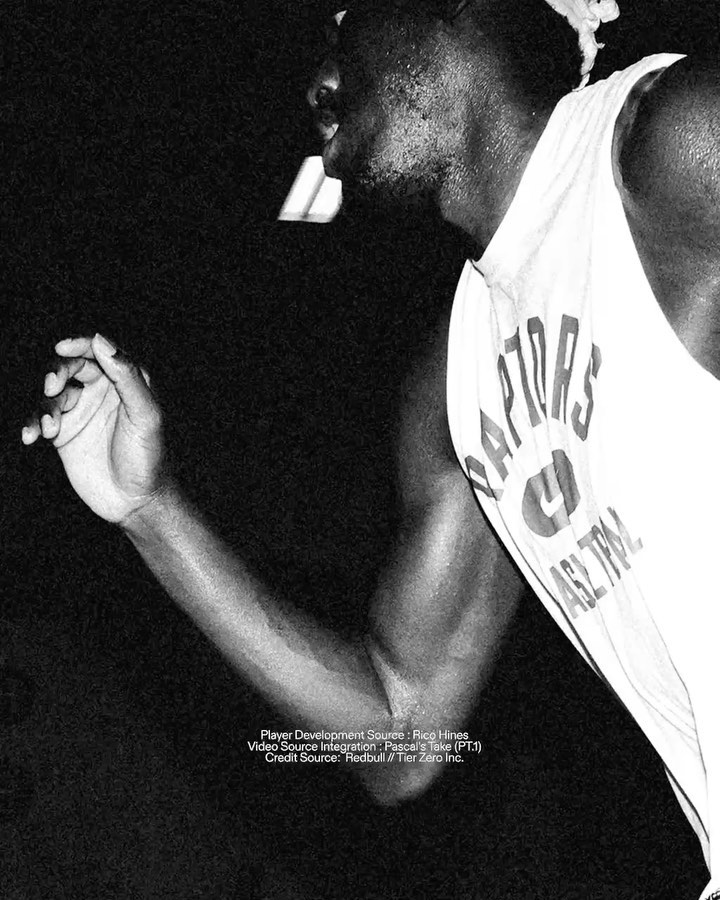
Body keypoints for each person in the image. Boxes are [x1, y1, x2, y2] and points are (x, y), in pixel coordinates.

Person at [21, 0, 720, 896]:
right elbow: (402, 739)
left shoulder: (672, 145)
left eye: (341, 25)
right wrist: (151, 511)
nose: (317, 81)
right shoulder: (455, 382)